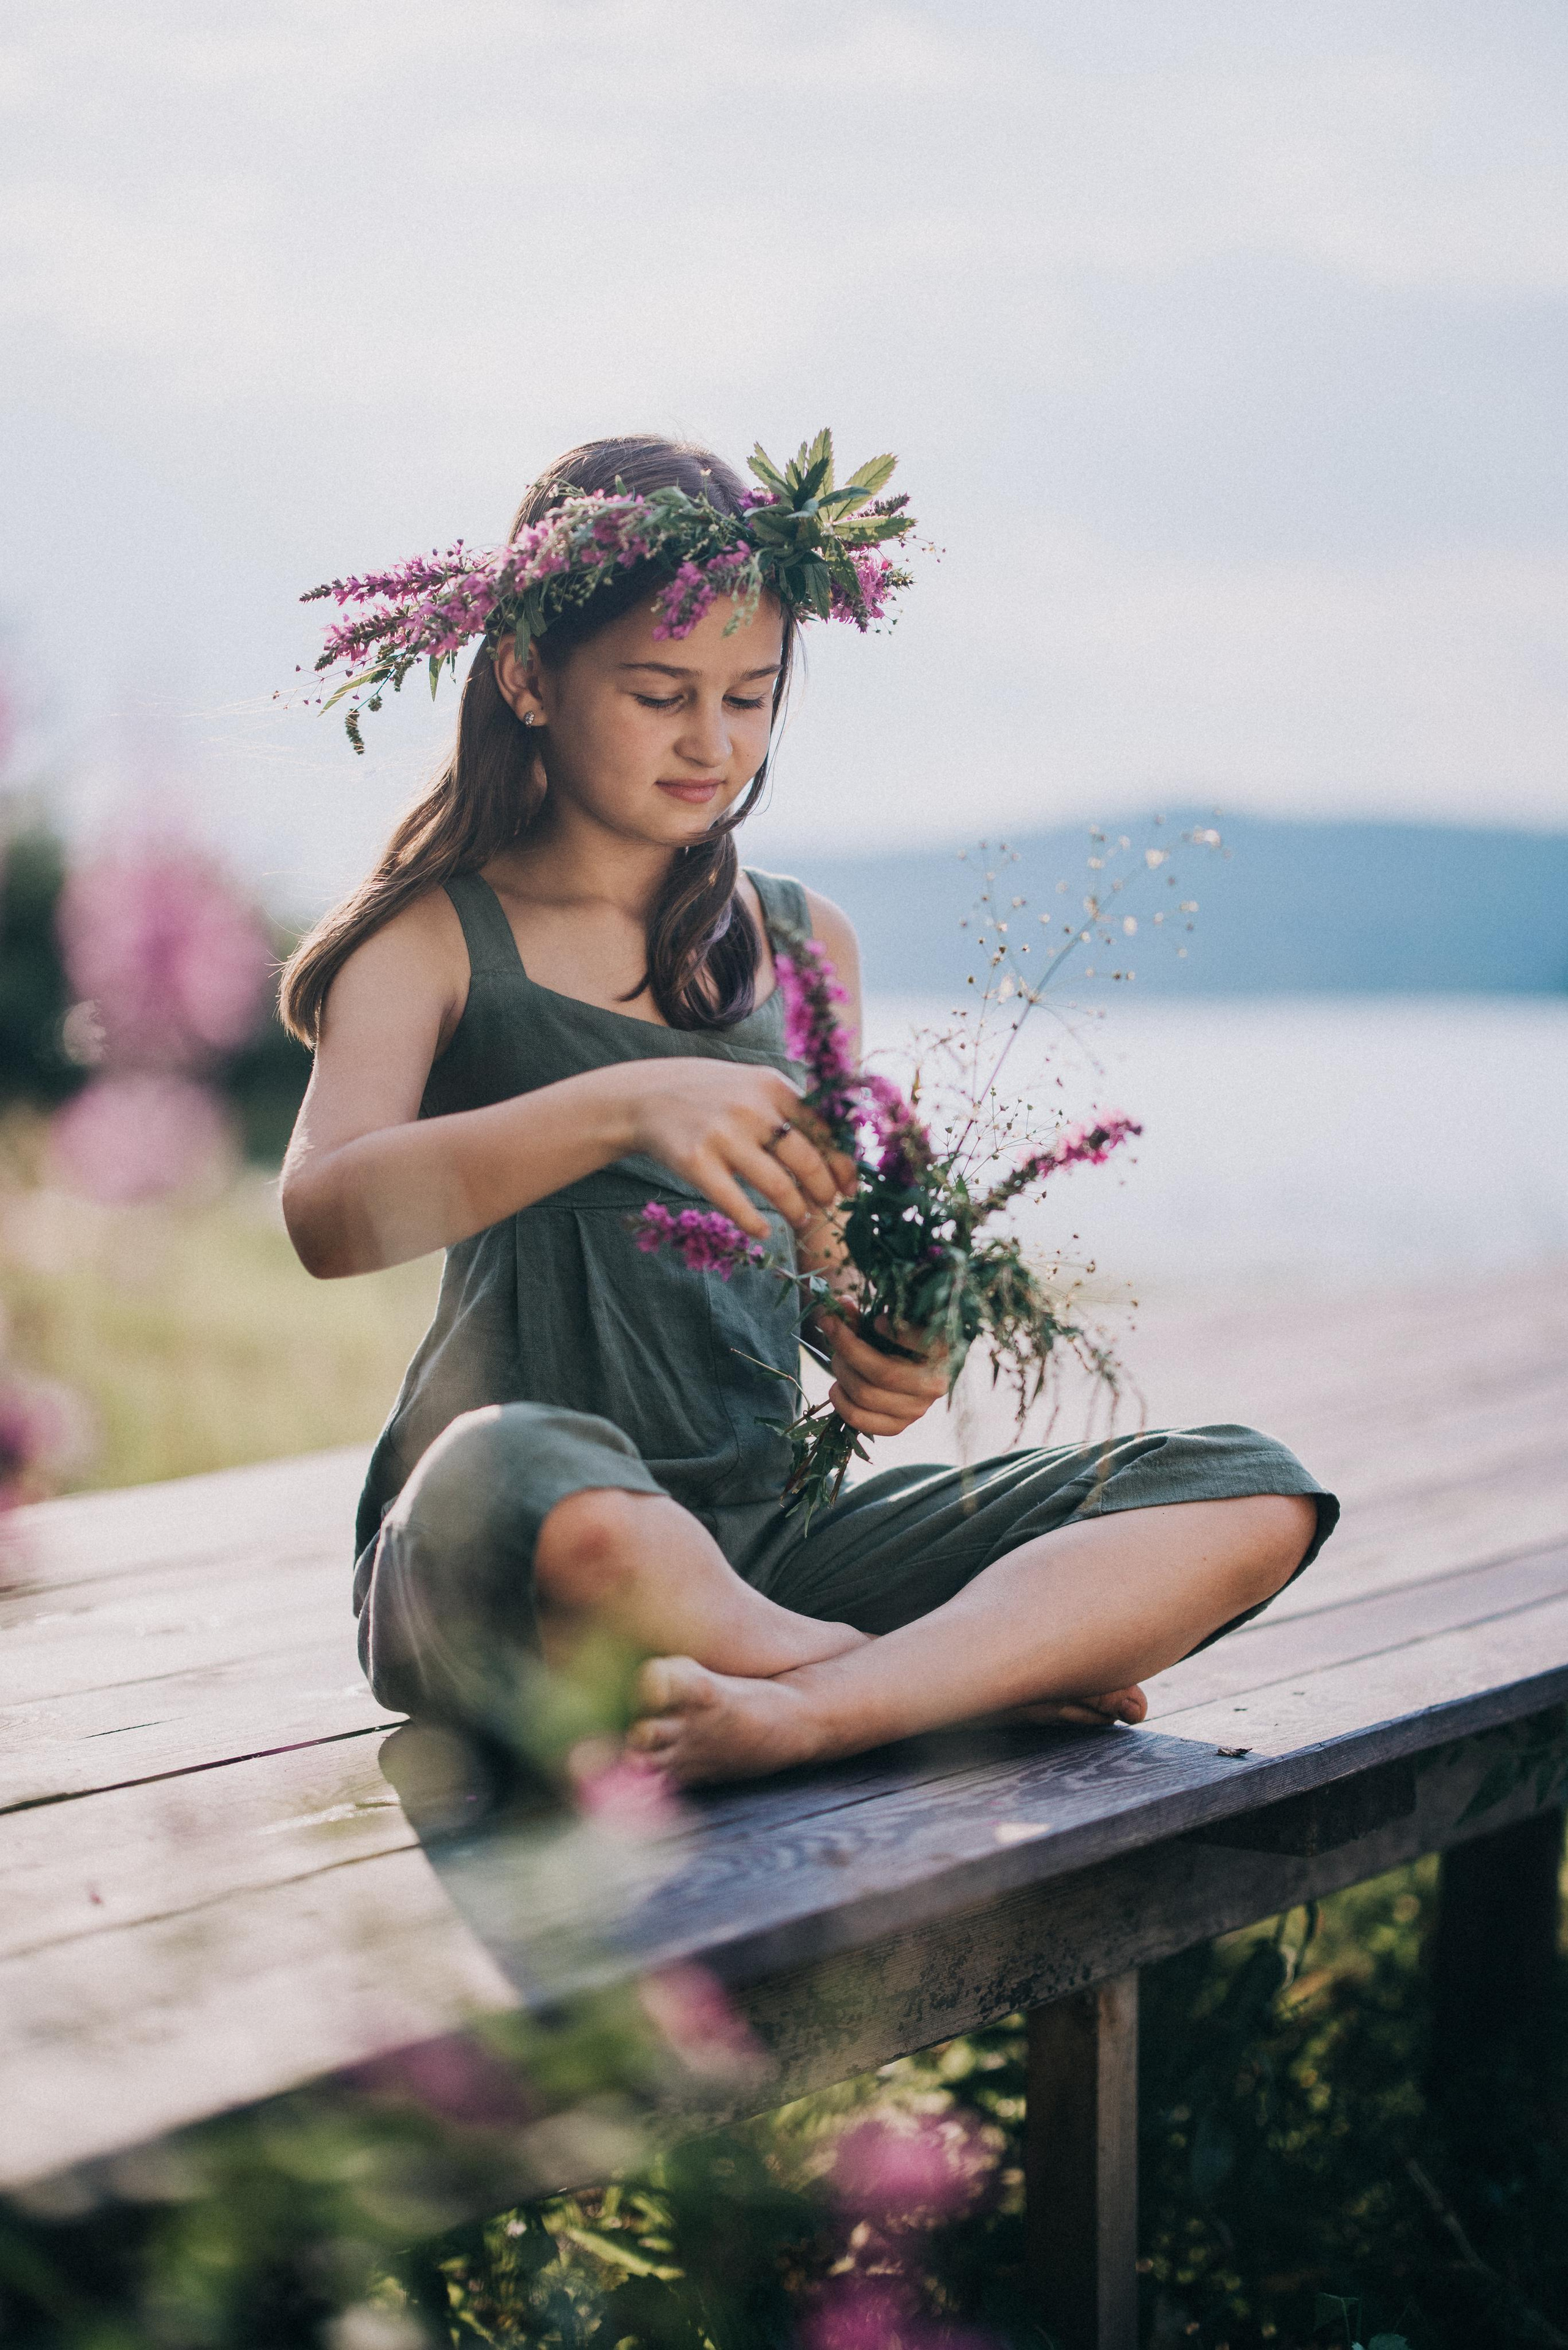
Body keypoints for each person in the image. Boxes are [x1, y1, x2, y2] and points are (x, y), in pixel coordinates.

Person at [279, 431, 1336, 1790]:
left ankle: (806, 1700)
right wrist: (619, 1107)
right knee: (527, 1469)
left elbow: (819, 1247)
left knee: (1244, 1488)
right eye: (660, 692)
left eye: (750, 694)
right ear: (529, 676)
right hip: (522, 1545)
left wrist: (887, 1336)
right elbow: (322, 1214)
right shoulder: (434, 939)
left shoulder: (796, 939)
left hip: (766, 1544)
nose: (711, 741)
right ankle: (926, 1681)